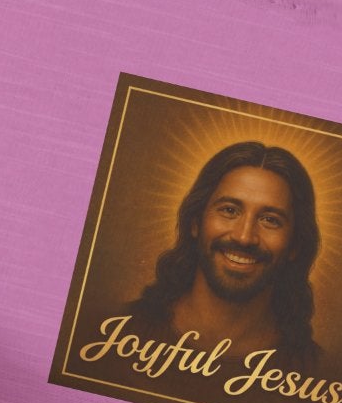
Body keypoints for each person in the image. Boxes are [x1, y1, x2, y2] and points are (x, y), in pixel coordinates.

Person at [119, 139, 327, 376]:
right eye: (229, 210)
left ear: (295, 245)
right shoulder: (119, 332)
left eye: (270, 220)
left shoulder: (314, 373)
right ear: (196, 222)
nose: (244, 237)